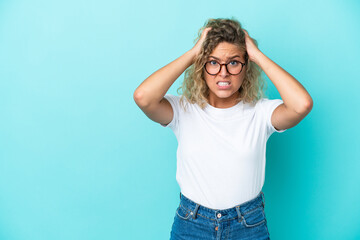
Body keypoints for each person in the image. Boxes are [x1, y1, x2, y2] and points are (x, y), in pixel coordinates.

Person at [133, 17, 313, 240]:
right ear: (202, 66)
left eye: (234, 62)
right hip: (192, 225)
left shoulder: (261, 113)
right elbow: (143, 97)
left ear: (246, 67)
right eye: (213, 62)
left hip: (248, 225)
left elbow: (301, 105)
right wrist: (194, 53)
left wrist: (257, 56)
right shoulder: (183, 110)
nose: (223, 73)